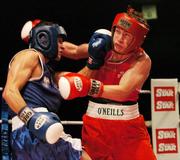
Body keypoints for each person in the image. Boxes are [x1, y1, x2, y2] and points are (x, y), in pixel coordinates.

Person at [58, 6, 157, 160]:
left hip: (129, 130)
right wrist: (47, 42)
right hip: (95, 126)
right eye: (117, 32)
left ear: (136, 40)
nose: (119, 39)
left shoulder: (141, 60)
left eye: (126, 35)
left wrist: (90, 86)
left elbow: (123, 91)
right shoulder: (104, 45)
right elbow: (76, 51)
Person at [2, 19, 91, 160]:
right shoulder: (30, 56)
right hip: (34, 129)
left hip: (29, 135)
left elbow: (79, 80)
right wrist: (32, 119)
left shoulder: (49, 73)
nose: (62, 47)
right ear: (44, 39)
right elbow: (9, 91)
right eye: (60, 41)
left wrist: (94, 61)